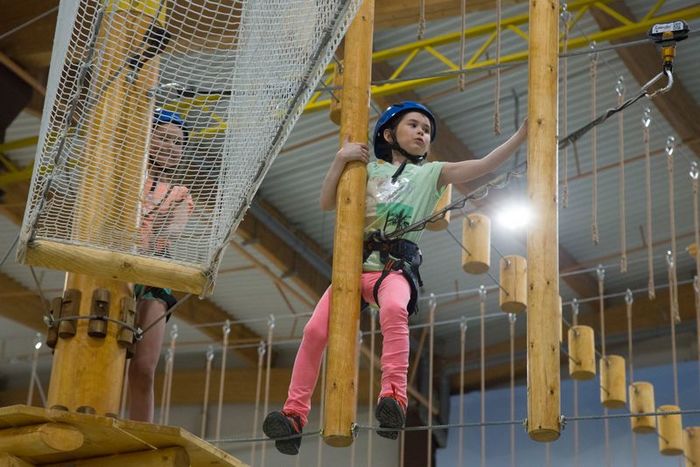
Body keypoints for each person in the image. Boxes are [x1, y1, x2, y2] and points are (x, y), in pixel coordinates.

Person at [262, 101, 527, 454]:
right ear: (389, 134)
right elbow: (327, 201)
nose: (422, 133)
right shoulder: (365, 171)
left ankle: (394, 397)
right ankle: (293, 415)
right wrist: (341, 160)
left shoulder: (430, 174)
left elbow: (481, 166)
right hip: (352, 269)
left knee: (394, 312)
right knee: (314, 331)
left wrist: (522, 136)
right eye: (414, 125)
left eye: (427, 130)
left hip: (393, 269)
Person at [128, 109, 194, 422]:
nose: (170, 146)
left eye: (178, 142)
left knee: (143, 368)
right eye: (163, 137)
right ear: (148, 137)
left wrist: (156, 219)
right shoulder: (125, 178)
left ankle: (142, 432)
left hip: (152, 273)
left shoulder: (180, 193)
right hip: (116, 264)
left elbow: (172, 231)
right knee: (107, 354)